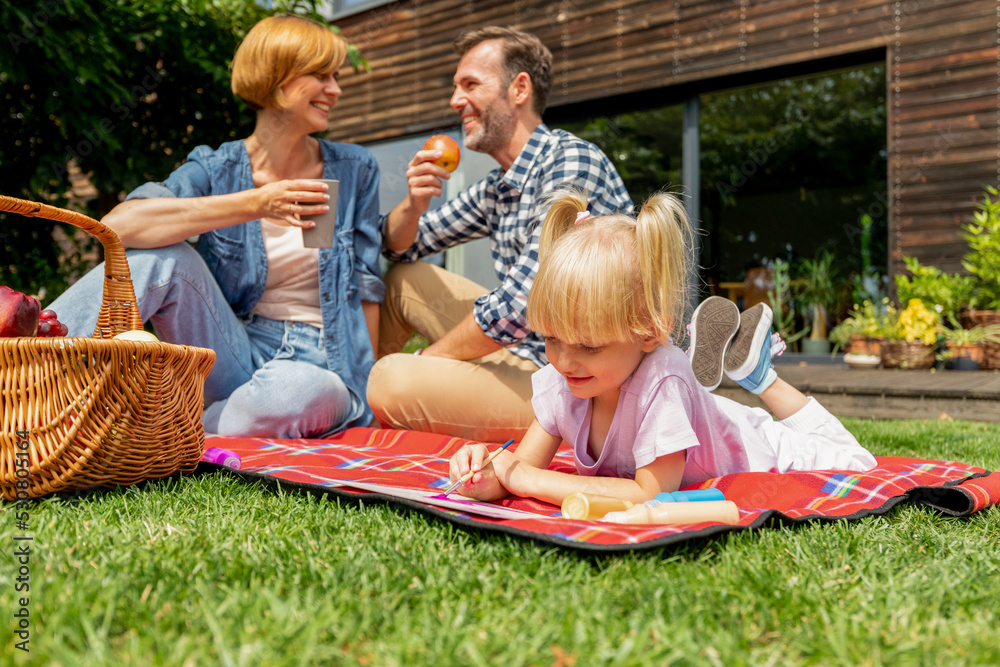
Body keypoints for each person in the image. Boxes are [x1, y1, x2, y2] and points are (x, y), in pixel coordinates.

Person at [47, 15, 383, 438]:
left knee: (293, 392)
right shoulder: (217, 167)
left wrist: (372, 386)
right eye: (321, 75)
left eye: (336, 77)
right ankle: (28, 376)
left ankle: (158, 431)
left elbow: (367, 285)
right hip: (237, 350)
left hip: (324, 365)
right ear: (277, 79)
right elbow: (119, 227)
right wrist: (257, 203)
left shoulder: (351, 169)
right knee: (162, 257)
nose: (336, 89)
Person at [447, 189, 876, 507]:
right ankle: (719, 383)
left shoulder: (658, 379)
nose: (563, 361)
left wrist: (522, 479)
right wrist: (482, 475)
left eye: (589, 347)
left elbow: (647, 492)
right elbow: (519, 468)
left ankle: (760, 377)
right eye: (551, 339)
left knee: (859, 463)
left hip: (759, 444)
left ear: (649, 332)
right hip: (695, 405)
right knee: (675, 384)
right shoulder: (566, 380)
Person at [367, 26, 633, 442]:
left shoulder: (571, 163)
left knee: (390, 381)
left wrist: (430, 361)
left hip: (577, 382)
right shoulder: (498, 187)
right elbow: (401, 248)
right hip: (530, 353)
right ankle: (371, 405)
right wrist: (413, 205)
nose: (456, 101)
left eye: (470, 84)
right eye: (456, 87)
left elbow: (524, 303)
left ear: (519, 89)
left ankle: (384, 397)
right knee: (404, 281)